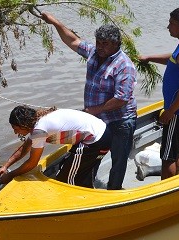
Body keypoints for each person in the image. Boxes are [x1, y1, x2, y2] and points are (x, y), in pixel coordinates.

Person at [40, 12, 137, 190]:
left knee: (118, 160)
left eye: (105, 44)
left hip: (120, 121)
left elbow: (121, 99)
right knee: (91, 155)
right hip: (97, 120)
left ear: (116, 44)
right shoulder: (93, 53)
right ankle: (85, 187)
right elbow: (72, 40)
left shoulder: (125, 66)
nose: (100, 47)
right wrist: (54, 22)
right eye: (98, 43)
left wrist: (92, 111)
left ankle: (113, 193)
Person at [138, 7, 179, 180]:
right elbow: (173, 59)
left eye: (172, 23)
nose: (168, 27)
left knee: (167, 157)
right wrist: (149, 58)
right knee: (173, 151)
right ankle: (178, 181)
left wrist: (170, 112)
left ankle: (165, 191)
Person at [0, 105, 110, 188]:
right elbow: (24, 148)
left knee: (64, 180)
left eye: (16, 129)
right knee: (69, 171)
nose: (16, 133)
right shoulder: (39, 120)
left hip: (95, 140)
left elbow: (32, 163)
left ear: (23, 124)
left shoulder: (39, 130)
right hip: (101, 132)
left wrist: (10, 175)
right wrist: (5, 166)